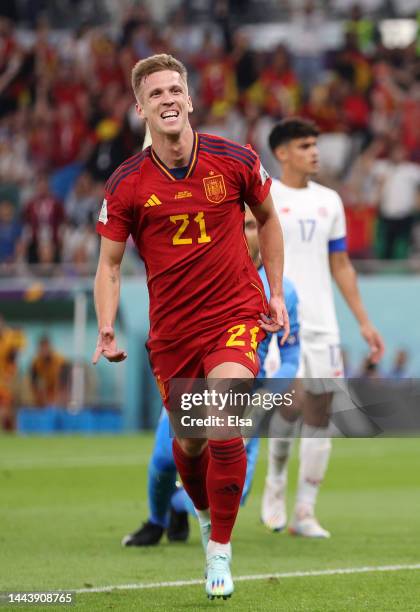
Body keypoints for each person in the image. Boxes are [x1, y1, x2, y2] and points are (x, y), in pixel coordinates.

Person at [92, 53, 289, 600]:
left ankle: (220, 551)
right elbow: (108, 266)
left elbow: (270, 219)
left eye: (175, 89)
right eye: (156, 94)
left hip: (234, 317)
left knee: (225, 419)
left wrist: (275, 292)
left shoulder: (234, 158)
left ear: (191, 98)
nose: (168, 99)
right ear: (140, 109)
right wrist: (106, 326)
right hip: (173, 335)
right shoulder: (127, 183)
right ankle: (205, 521)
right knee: (191, 441)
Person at [122, 207, 300, 547]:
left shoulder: (283, 292)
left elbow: (292, 353)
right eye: (238, 225)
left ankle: (181, 509)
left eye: (251, 225)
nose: (245, 233)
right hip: (192, 383)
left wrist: (265, 398)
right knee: (163, 459)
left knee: (233, 488)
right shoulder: (206, 275)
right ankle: (156, 521)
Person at [261, 117, 384, 538]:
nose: (315, 152)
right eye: (305, 146)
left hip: (324, 325)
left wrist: (364, 323)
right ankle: (275, 481)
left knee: (321, 416)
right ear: (282, 153)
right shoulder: (264, 196)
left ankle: (305, 513)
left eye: (315, 144)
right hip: (280, 322)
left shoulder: (330, 201)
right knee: (289, 407)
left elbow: (341, 264)